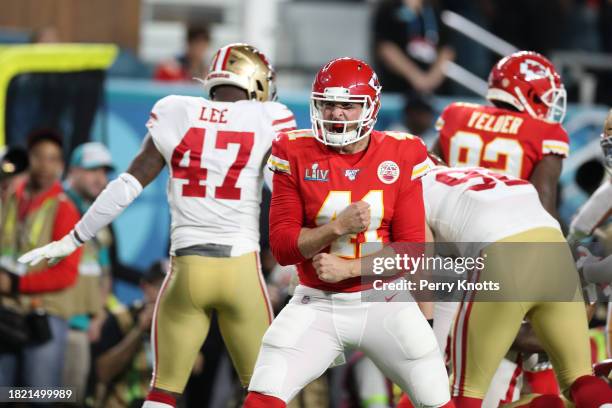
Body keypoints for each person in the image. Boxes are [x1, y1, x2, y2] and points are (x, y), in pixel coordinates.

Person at [19, 43, 297, 408]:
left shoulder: (177, 111)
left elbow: (127, 185)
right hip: (241, 272)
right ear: (257, 83)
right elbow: (291, 196)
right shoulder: (270, 117)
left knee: (162, 392)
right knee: (266, 392)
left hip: (186, 272)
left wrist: (72, 239)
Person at [244, 57, 453, 408]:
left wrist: (350, 269)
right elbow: (282, 248)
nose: (336, 114)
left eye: (348, 105)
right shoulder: (292, 151)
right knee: (261, 397)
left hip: (385, 300)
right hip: (318, 301)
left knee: (437, 400)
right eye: (328, 104)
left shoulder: (402, 153)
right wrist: (336, 228)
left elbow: (412, 249)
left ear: (371, 108)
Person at [400, 163, 612, 408]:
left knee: (466, 391)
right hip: (555, 248)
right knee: (580, 378)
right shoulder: (472, 173)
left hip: (502, 255)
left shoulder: (409, 192)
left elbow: (423, 266)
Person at [432, 51, 568, 217]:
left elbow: (429, 178)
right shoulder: (547, 133)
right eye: (547, 97)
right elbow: (543, 212)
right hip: (504, 231)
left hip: (447, 223)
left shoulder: (455, 115)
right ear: (531, 95)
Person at [0, 129, 82, 390]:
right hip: (6, 310)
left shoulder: (65, 209)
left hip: (44, 315)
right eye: (39, 157)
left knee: (40, 396)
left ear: (61, 165)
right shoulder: (10, 196)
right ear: (28, 158)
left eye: (53, 159)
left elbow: (66, 274)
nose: (45, 166)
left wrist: (14, 284)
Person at [61, 142, 116, 403]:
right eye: (93, 170)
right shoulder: (57, 205)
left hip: (81, 329)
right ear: (73, 171)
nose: (100, 179)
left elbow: (104, 271)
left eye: (104, 172)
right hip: (54, 322)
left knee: (70, 399)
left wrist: (99, 313)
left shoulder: (97, 216)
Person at [92, 260, 166, 408]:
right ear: (145, 286)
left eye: (172, 288)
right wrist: (138, 330)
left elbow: (197, 366)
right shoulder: (120, 319)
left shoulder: (183, 323)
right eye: (160, 287)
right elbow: (103, 373)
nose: (166, 294)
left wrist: (167, 332)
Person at [373, 0, 455, 96]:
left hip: (433, 93)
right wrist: (416, 77)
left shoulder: (434, 9)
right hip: (398, 90)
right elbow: (385, 48)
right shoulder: (389, 8)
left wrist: (431, 80)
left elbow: (447, 50)